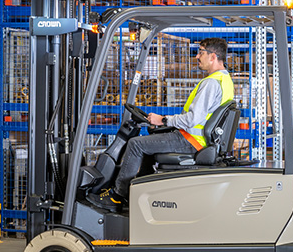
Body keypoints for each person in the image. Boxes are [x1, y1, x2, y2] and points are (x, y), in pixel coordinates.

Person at [86, 37, 234, 212]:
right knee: (149, 145)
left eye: (201, 52)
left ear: (213, 56)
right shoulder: (225, 80)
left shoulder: (211, 83)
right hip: (198, 139)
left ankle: (118, 197)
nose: (196, 57)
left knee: (135, 144)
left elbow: (193, 120)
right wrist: (165, 125)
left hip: (191, 140)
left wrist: (163, 120)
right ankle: (140, 195)